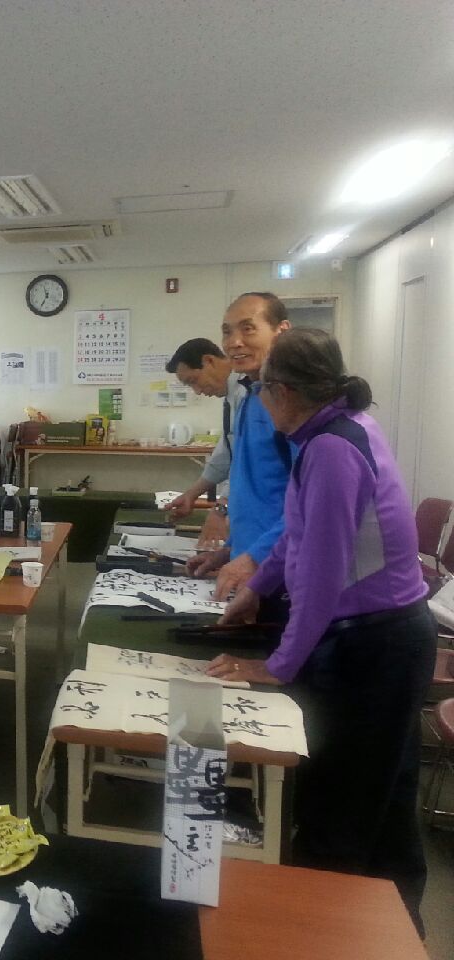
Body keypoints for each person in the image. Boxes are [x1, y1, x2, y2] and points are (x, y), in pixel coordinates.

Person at [205, 328, 435, 931]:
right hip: (383, 636)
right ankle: (390, 930)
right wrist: (256, 589)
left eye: (262, 390)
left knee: (345, 804)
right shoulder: (331, 432)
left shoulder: (332, 450)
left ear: (281, 391)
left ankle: (328, 933)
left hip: (377, 643)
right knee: (383, 796)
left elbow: (321, 577)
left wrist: (277, 665)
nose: (260, 402)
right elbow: (296, 532)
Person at [185, 293, 292, 600]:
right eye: (227, 332)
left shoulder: (296, 404)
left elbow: (310, 507)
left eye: (248, 328)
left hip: (282, 568)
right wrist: (229, 550)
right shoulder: (252, 396)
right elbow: (249, 481)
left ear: (281, 331)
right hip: (251, 563)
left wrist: (254, 557)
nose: (234, 342)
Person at [163, 338, 240, 528]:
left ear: (209, 361)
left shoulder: (247, 392)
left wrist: (222, 507)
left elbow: (252, 460)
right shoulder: (231, 396)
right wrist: (192, 494)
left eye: (193, 381)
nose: (197, 391)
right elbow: (225, 453)